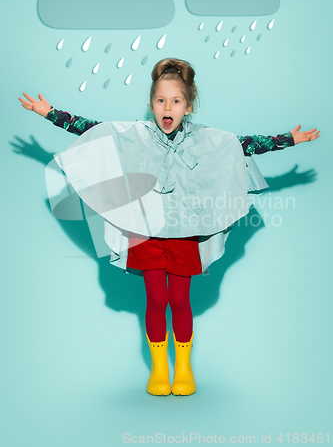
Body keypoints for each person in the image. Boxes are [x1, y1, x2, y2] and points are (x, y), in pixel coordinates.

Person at [18, 58, 319, 397]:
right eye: (161, 100)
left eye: (176, 101)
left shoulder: (207, 139)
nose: (168, 107)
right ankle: (160, 369)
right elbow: (93, 130)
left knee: (179, 300)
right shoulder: (136, 134)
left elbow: (245, 145)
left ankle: (184, 368)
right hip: (144, 232)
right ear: (151, 105)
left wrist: (289, 139)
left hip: (185, 231)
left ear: (187, 107)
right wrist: (50, 113)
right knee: (156, 299)